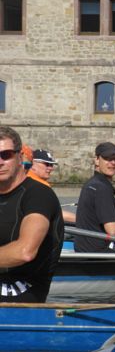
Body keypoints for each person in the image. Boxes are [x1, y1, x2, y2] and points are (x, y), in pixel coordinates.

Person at [0, 127, 64, 303]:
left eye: (6, 155)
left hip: (21, 297)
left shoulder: (39, 195)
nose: (0, 161)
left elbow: (25, 252)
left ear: (20, 157)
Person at [74, 142, 115, 253]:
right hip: (99, 251)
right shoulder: (102, 188)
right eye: (108, 159)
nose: (113, 163)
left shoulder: (91, 184)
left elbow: (100, 222)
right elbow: (113, 230)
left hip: (83, 248)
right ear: (97, 160)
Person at [27, 149, 77, 223]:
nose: (51, 168)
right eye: (47, 164)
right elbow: (54, 213)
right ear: (33, 164)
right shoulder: (37, 187)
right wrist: (83, 220)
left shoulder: (27, 180)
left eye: (51, 165)